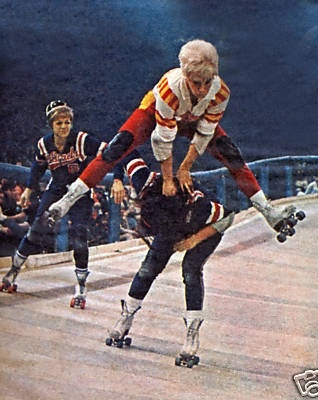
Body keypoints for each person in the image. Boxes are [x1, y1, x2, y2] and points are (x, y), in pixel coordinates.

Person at [48, 39, 297, 237]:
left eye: (207, 82)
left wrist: (186, 167)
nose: (202, 90)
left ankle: (267, 211)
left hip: (192, 119)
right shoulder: (170, 87)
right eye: (196, 83)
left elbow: (205, 134)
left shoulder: (220, 92)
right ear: (185, 75)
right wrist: (169, 178)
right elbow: (162, 139)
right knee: (117, 147)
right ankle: (68, 199)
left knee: (231, 154)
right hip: (156, 111)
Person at [106, 149, 235, 366]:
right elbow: (125, 150)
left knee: (191, 271)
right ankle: (126, 316)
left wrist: (193, 240)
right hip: (169, 228)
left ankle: (192, 332)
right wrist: (117, 180)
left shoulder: (198, 204)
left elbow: (227, 217)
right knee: (148, 269)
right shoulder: (145, 182)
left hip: (202, 230)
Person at [0, 100, 107, 309]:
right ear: (51, 125)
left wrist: (118, 179)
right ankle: (12, 274)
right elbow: (37, 167)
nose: (64, 126)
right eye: (59, 123)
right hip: (56, 189)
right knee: (36, 231)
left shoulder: (82, 140)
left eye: (67, 122)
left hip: (79, 191)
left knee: (79, 235)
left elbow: (110, 152)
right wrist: (30, 190)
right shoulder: (44, 144)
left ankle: (81, 289)